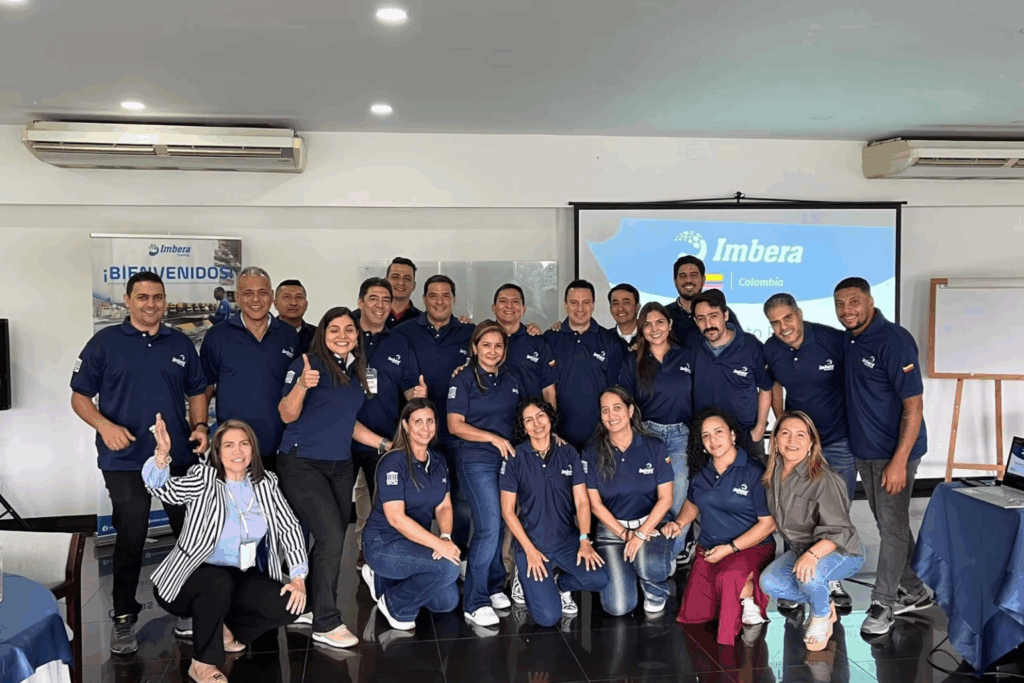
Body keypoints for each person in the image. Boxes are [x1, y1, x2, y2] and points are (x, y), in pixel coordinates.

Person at [70, 271, 209, 654]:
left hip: (178, 456)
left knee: (189, 534)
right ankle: (123, 618)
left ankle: (187, 608)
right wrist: (104, 425)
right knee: (131, 535)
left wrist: (199, 425)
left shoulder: (180, 342)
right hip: (125, 459)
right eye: (143, 297)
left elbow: (197, 388)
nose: (151, 304)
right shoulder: (104, 343)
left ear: (165, 301)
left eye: (158, 297)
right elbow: (79, 396)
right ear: (128, 301)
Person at [144, 416, 307, 683]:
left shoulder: (266, 483)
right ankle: (203, 663)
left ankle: (225, 629)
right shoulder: (204, 478)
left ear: (253, 449)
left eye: (244, 444)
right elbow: (165, 490)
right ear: (217, 452)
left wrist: (298, 577)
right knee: (217, 581)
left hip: (240, 575)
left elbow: (289, 527)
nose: (238, 451)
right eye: (229, 445)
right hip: (190, 577)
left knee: (290, 604)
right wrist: (162, 454)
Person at [276, 306, 395, 649]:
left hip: (339, 463)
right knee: (329, 535)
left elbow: (349, 422)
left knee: (332, 533)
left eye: (348, 329)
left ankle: (307, 607)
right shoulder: (306, 365)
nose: (342, 335)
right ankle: (326, 622)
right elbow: (286, 413)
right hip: (301, 461)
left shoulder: (356, 370)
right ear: (322, 335)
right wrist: (301, 385)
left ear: (357, 335)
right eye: (333, 330)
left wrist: (384, 443)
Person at [833, 277, 931, 636]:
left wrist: (899, 461)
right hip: (866, 450)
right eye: (841, 304)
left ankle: (883, 603)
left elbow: (914, 405)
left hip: (895, 452)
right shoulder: (851, 337)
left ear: (870, 301)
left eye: (854, 302)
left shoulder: (894, 340)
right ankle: (916, 590)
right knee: (892, 522)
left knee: (890, 527)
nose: (847, 310)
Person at [762, 292, 854, 609]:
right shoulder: (772, 349)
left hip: (838, 438)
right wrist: (781, 422)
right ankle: (797, 574)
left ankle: (831, 576)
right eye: (775, 322)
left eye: (788, 318)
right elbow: (773, 384)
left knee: (835, 510)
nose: (783, 326)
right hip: (801, 441)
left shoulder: (832, 340)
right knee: (791, 506)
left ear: (799, 314)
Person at [669, 408, 777, 645]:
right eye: (706, 436)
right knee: (694, 615)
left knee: (728, 579)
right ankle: (737, 589)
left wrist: (730, 548)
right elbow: (693, 502)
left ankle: (748, 592)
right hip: (709, 548)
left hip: (751, 547)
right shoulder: (702, 471)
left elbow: (768, 525)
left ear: (733, 435)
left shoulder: (754, 472)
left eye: (718, 432)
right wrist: (678, 523)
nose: (712, 440)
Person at [759, 411, 865, 652]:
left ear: (811, 443)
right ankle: (825, 604)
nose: (791, 440)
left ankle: (819, 616)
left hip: (841, 551)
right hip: (801, 550)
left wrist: (813, 555)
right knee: (770, 582)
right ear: (774, 441)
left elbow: (839, 531)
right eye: (784, 433)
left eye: (800, 434)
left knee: (811, 576)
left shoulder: (824, 479)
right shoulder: (774, 473)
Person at [500, 398, 609, 627]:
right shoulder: (514, 457)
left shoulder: (568, 452)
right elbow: (508, 511)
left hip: (565, 540)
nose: (536, 423)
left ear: (550, 417)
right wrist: (529, 551)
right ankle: (523, 575)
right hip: (532, 542)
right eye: (528, 420)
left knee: (599, 579)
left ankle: (560, 584)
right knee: (548, 618)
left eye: (540, 415)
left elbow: (582, 501)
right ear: (523, 426)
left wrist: (585, 540)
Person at [360, 399, 462, 631]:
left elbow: (444, 506)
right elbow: (396, 518)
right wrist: (438, 544)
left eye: (430, 421)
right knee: (448, 569)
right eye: (418, 422)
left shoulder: (438, 460)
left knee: (447, 602)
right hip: (383, 544)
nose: (425, 427)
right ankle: (395, 604)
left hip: (415, 541)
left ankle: (384, 581)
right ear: (405, 425)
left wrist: (445, 537)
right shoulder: (393, 462)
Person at [447, 320, 523, 626]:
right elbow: (455, 425)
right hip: (476, 459)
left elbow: (524, 414)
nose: (492, 351)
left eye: (498, 346)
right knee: (489, 526)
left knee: (501, 522)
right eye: (486, 345)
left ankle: (493, 586)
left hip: (508, 460)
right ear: (475, 347)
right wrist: (492, 437)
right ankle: (474, 601)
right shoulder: (463, 379)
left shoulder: (511, 378)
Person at [393, 274, 476, 549]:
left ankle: (457, 553)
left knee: (458, 499)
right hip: (416, 432)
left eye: (445, 295)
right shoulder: (403, 333)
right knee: (414, 497)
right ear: (424, 298)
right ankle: (418, 553)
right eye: (433, 295)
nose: (439, 301)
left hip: (456, 431)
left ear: (453, 299)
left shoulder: (470, 333)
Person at [350, 277, 426, 568]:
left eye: (385, 300)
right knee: (340, 504)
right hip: (340, 437)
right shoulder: (345, 335)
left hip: (383, 437)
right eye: (373, 299)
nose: (380, 305)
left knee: (379, 500)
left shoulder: (399, 342)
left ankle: (372, 551)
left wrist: (417, 395)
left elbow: (408, 388)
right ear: (360, 302)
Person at [583, 387, 676, 616]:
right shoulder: (592, 451)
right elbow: (595, 504)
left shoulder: (653, 446)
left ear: (630, 410)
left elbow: (666, 499)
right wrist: (626, 535)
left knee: (648, 564)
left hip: (651, 524)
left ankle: (654, 583)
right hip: (613, 530)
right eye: (605, 410)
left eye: (617, 408)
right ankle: (634, 569)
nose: (611, 415)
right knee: (618, 607)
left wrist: (641, 534)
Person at [201, 267, 299, 472]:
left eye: (262, 292)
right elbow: (205, 388)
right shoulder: (217, 337)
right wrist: (200, 426)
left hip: (279, 447)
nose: (256, 299)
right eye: (248, 293)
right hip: (233, 448)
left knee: (274, 504)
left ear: (271, 296)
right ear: (237, 297)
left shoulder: (289, 335)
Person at [619, 302, 695, 525]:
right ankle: (653, 553)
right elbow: (625, 401)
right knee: (650, 499)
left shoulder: (687, 356)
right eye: (648, 324)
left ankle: (671, 555)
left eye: (660, 322)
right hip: (646, 434)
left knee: (679, 498)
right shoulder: (633, 360)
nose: (654, 329)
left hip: (680, 434)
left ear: (670, 324)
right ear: (641, 330)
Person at [691, 289, 773, 460]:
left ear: (725, 315)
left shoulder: (750, 346)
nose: (708, 324)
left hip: (746, 436)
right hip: (708, 439)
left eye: (713, 315)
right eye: (701, 319)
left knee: (754, 485)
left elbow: (766, 387)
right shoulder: (692, 347)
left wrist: (758, 429)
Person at [544, 280, 624, 451]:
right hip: (558, 438)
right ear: (565, 305)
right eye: (574, 303)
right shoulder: (549, 339)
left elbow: (614, 391)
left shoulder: (610, 342)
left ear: (593, 305)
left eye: (585, 302)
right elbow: (545, 388)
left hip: (600, 438)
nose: (580, 309)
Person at [492, 283, 557, 407]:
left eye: (515, 301)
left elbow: (548, 389)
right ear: (494, 308)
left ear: (524, 309)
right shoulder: (482, 340)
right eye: (503, 301)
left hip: (531, 422)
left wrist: (551, 422)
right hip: (493, 421)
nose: (509, 306)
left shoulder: (538, 341)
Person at [665, 255, 742, 344]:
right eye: (683, 276)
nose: (688, 280)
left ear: (703, 280)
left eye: (694, 275)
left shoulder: (720, 311)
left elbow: (740, 346)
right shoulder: (664, 315)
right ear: (675, 281)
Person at [274, 279, 317, 354]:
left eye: (299, 297)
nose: (294, 303)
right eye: (287, 297)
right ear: (275, 304)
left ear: (306, 305)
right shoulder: (264, 333)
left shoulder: (318, 335)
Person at [385, 257, 422, 329]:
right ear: (386, 282)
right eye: (395, 277)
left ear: (413, 285)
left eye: (407, 279)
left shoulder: (424, 321)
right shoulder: (366, 316)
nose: (401, 283)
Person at [608, 283, 641, 353]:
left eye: (626, 303)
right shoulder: (604, 339)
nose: (620, 308)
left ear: (637, 307)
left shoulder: (650, 336)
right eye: (615, 304)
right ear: (610, 309)